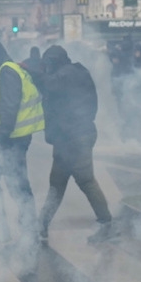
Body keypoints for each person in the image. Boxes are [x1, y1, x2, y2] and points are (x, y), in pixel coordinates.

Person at [36, 46, 114, 244]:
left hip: (75, 137)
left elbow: (49, 85)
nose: (46, 68)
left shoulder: (65, 75)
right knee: (57, 183)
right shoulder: (78, 71)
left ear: (54, 61)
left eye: (48, 64)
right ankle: (41, 225)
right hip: (70, 137)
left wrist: (31, 69)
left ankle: (107, 225)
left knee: (85, 180)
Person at [0, 38, 43, 249]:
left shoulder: (7, 72)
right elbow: (8, 106)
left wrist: (1, 139)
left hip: (11, 139)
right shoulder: (10, 70)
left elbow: (10, 107)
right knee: (17, 184)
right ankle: (26, 230)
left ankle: (8, 230)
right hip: (15, 138)